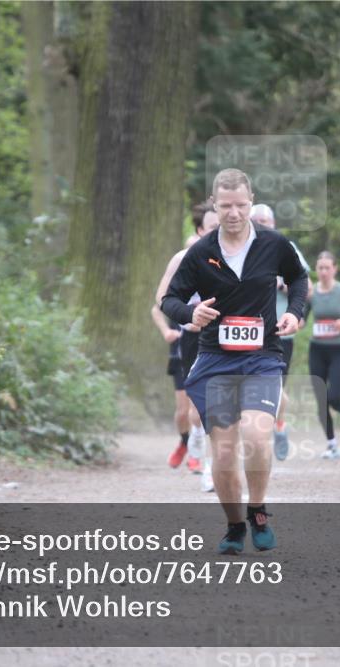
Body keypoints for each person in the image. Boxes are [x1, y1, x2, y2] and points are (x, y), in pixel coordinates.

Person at [161, 168, 307, 555]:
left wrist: (294, 312)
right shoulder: (201, 252)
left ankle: (257, 511)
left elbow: (298, 279)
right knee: (224, 453)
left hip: (262, 358)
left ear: (251, 201)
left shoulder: (274, 244)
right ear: (214, 204)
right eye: (226, 206)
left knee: (258, 437)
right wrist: (190, 316)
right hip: (216, 362)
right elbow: (170, 299)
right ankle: (232, 526)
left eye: (241, 205)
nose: (234, 213)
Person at [151, 202, 219, 484]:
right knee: (198, 402)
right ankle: (198, 447)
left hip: (229, 333)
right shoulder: (183, 259)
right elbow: (161, 298)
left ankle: (213, 465)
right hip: (194, 335)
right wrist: (187, 317)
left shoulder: (242, 256)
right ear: (200, 230)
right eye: (214, 227)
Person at [249, 203, 313, 461]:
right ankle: (257, 429)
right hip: (246, 328)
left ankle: (279, 425)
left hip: (279, 328)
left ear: (274, 223)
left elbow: (306, 285)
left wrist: (282, 285)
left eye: (267, 220)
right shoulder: (240, 246)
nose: (263, 224)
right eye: (258, 220)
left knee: (275, 385)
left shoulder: (286, 247)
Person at [308, 251, 340, 460]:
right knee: (321, 400)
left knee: (334, 396)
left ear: (335, 269)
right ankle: (331, 445)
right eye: (320, 268)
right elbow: (301, 315)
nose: (323, 272)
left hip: (337, 350)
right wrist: (295, 321)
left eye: (327, 268)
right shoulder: (311, 294)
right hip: (317, 349)